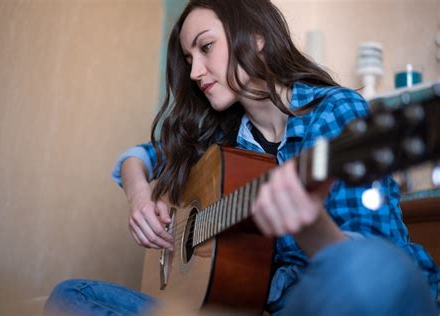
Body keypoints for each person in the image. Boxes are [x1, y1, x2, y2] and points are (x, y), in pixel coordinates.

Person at [44, 0, 440, 315]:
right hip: (245, 307)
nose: (196, 71)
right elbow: (138, 158)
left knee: (372, 272)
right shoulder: (218, 136)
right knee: (71, 295)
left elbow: (374, 262)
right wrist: (140, 199)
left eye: (206, 47)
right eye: (188, 59)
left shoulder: (335, 112)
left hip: (326, 300)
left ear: (255, 37)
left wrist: (310, 226)